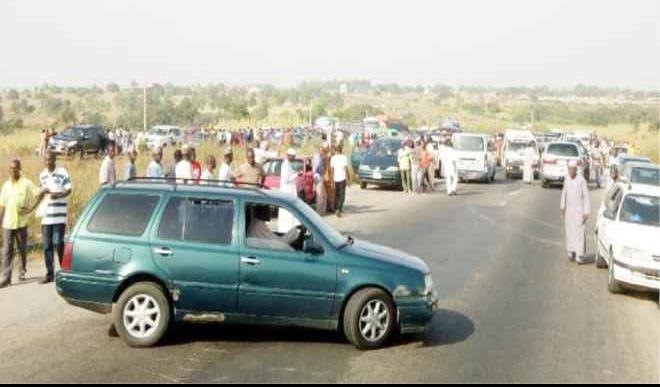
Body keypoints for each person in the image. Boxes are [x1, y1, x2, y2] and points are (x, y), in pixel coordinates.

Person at [0, 159, 42, 288]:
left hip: (21, 223)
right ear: (9, 170)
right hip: (8, 223)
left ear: (20, 169)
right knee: (7, 250)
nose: (13, 171)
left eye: (16, 168)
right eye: (11, 169)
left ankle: (22, 271)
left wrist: (31, 208)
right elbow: (2, 206)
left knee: (22, 249)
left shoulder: (26, 183)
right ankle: (6, 278)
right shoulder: (6, 185)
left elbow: (39, 193)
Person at [34, 152, 72, 284]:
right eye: (46, 160)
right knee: (47, 246)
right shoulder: (42, 175)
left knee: (58, 243)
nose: (48, 162)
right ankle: (50, 274)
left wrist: (58, 195)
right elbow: (40, 193)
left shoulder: (62, 172)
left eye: (50, 159)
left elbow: (68, 190)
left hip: (59, 216)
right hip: (46, 216)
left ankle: (64, 271)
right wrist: (33, 204)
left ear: (55, 159)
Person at [560, 161, 591, 264]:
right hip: (569, 210)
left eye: (572, 169)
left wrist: (586, 211)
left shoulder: (581, 180)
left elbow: (586, 196)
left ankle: (579, 255)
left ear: (576, 170)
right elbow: (564, 193)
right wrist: (562, 207)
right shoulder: (567, 178)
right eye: (569, 169)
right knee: (569, 231)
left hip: (579, 211)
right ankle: (570, 251)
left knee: (579, 232)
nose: (571, 171)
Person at [278, 148, 301, 233]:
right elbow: (285, 180)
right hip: (287, 192)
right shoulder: (285, 165)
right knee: (286, 214)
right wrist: (296, 174)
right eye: (293, 156)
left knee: (290, 213)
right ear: (288, 156)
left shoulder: (288, 164)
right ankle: (285, 230)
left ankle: (290, 230)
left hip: (289, 192)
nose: (294, 158)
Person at [331, 145, 349, 217]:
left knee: (337, 194)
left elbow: (332, 170)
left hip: (335, 178)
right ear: (341, 150)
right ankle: (339, 209)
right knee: (342, 195)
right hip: (342, 178)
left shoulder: (333, 158)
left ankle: (336, 209)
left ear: (335, 150)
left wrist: (332, 180)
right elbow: (346, 169)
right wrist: (349, 179)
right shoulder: (344, 157)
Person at [313, 145, 329, 214]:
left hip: (318, 177)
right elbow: (317, 168)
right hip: (318, 177)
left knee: (324, 195)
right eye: (323, 151)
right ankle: (319, 212)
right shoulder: (319, 158)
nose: (323, 152)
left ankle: (322, 211)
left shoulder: (319, 157)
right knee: (320, 195)